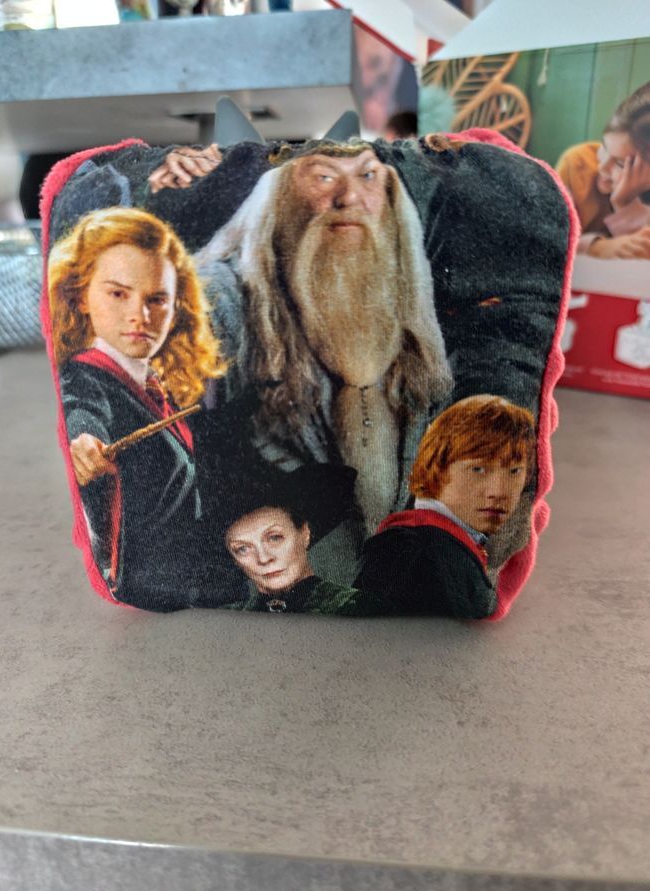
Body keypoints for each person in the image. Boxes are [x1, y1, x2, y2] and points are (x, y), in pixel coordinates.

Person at [195, 141, 453, 537]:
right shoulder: (214, 303)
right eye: (324, 177)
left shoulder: (409, 317)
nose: (349, 197)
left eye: (367, 175)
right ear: (280, 194)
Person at [48, 207, 226, 610]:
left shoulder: (155, 386)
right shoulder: (84, 378)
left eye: (157, 299)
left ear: (176, 307)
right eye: (118, 293)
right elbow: (82, 413)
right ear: (81, 296)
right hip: (150, 597)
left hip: (193, 590)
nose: (140, 316)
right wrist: (84, 444)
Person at [355, 395, 536, 619]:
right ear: (438, 466)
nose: (498, 491)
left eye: (514, 471)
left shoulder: (440, 542)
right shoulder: (416, 551)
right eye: (478, 469)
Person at [220, 467, 389, 616]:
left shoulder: (360, 610)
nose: (263, 558)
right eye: (242, 549)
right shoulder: (227, 619)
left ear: (305, 533)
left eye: (274, 538)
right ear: (235, 560)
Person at [556, 82, 650, 259]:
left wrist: (625, 204)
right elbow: (549, 241)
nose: (603, 166)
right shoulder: (577, 164)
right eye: (604, 147)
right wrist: (596, 247)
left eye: (620, 163)